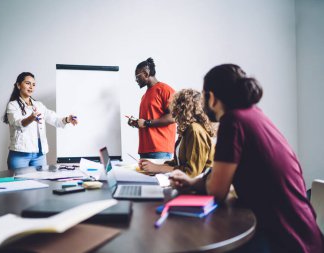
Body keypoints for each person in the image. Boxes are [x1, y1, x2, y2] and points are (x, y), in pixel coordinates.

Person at [170, 64, 323, 253]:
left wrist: (197, 183)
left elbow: (217, 191)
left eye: (203, 95)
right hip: (304, 234)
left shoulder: (232, 122)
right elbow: (220, 180)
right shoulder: (254, 115)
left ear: (212, 97)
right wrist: (193, 182)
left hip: (286, 241)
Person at [3, 72, 78, 170]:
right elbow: (17, 124)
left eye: (33, 84)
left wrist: (67, 119)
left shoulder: (38, 105)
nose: (31, 87)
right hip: (20, 155)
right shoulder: (13, 105)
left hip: (39, 155)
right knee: (20, 184)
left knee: (40, 184)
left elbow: (55, 120)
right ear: (18, 85)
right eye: (28, 83)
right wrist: (31, 118)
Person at [139, 89, 215, 177]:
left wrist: (157, 168)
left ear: (183, 108)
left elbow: (192, 172)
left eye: (176, 107)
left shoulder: (195, 130)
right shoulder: (187, 129)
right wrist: (153, 166)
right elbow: (177, 163)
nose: (173, 112)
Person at [128, 57, 176, 159]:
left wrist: (146, 123)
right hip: (145, 149)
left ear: (145, 73)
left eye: (137, 77)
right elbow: (149, 120)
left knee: (159, 176)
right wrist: (137, 123)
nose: (136, 80)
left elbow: (173, 117)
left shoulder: (165, 90)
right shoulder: (145, 96)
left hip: (160, 150)